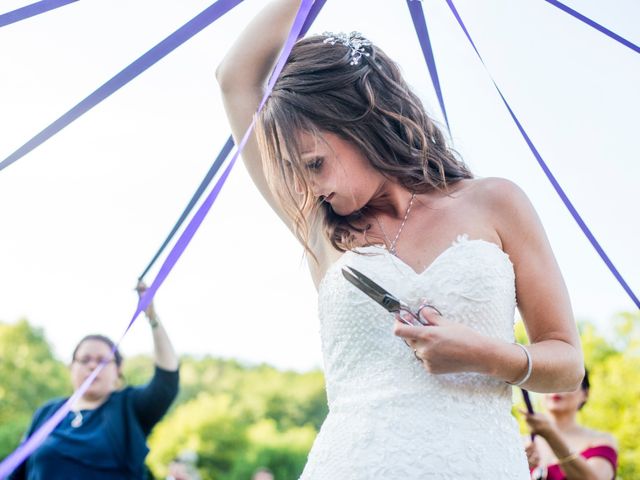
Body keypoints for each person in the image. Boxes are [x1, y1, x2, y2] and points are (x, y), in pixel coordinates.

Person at [216, 1, 584, 477]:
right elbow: (234, 78)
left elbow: (567, 362)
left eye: (313, 163)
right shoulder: (317, 226)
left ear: (360, 121)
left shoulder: (496, 203)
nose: (309, 186)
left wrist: (486, 355)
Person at [10, 281, 180, 479]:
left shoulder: (128, 407)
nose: (92, 366)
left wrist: (153, 318)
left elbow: (166, 381)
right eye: (85, 360)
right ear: (71, 368)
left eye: (103, 361)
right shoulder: (48, 413)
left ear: (118, 370)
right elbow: (18, 472)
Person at [523, 370, 618, 480]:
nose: (555, 388)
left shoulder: (601, 440)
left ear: (585, 394)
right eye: (549, 382)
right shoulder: (521, 443)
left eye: (565, 382)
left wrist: (551, 436)